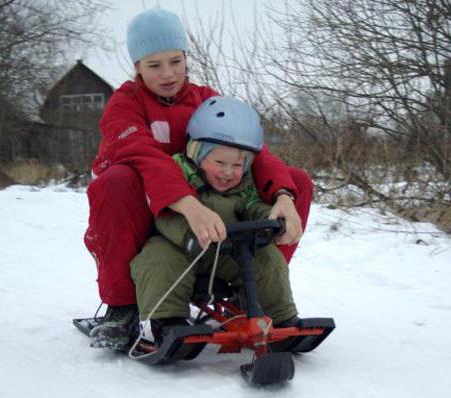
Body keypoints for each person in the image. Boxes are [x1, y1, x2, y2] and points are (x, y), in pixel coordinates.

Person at [85, 8, 312, 350]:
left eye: (175, 61)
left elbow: (255, 151)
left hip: (217, 212)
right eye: (154, 65)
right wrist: (189, 205)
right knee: (115, 181)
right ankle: (123, 306)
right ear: (137, 68)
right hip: (154, 214)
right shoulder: (124, 106)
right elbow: (146, 158)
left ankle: (252, 291)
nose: (168, 74)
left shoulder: (206, 100)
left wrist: (283, 195)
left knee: (297, 180)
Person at [131, 96, 299, 343]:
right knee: (158, 260)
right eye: (219, 162)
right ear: (198, 154)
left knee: (268, 259)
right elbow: (165, 215)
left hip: (226, 252)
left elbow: (252, 206)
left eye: (237, 165)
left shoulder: (243, 183)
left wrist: (269, 220)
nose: (228, 172)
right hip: (181, 248)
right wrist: (189, 237)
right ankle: (166, 322)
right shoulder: (177, 173)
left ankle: (281, 318)